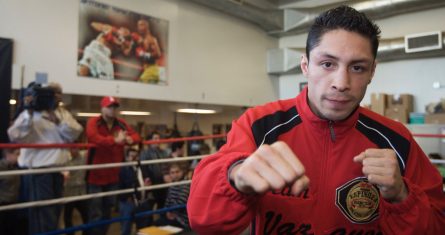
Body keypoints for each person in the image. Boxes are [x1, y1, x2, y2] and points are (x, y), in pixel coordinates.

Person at [187, 5, 445, 235]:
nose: (341, 84)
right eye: (327, 64)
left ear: (371, 72)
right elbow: (204, 222)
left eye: (357, 67)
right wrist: (236, 177)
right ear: (305, 65)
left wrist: (402, 196)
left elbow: (436, 226)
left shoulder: (396, 140)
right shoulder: (260, 125)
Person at [8, 82, 83, 234]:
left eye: (58, 93)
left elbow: (76, 132)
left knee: (55, 210)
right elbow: (14, 135)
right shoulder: (29, 113)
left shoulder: (62, 113)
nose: (56, 96)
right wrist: (28, 113)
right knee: (43, 212)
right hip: (38, 170)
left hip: (57, 169)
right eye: (52, 93)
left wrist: (58, 120)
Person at [85, 96, 141, 235]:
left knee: (107, 212)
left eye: (115, 107)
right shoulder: (94, 122)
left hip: (113, 175)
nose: (113, 110)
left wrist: (128, 139)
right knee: (95, 213)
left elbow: (137, 137)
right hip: (95, 175)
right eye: (110, 107)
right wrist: (115, 140)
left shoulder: (121, 123)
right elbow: (93, 138)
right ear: (102, 108)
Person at [118, 147, 152, 235]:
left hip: (142, 201)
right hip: (128, 203)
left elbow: (149, 179)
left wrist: (148, 183)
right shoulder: (123, 170)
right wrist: (127, 198)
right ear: (127, 158)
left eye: (136, 156)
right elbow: (120, 187)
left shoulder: (143, 167)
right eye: (131, 156)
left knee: (143, 228)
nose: (134, 158)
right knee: (126, 228)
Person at [140, 131, 169, 217]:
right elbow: (143, 168)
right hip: (152, 183)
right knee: (149, 206)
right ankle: (148, 225)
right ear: (150, 140)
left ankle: (162, 223)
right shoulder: (145, 153)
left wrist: (167, 175)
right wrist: (147, 179)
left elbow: (167, 165)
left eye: (159, 138)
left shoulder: (163, 152)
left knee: (162, 205)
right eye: (155, 138)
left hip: (163, 183)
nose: (158, 140)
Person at [155, 163, 191, 231]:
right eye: (172, 173)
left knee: (158, 224)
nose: (175, 175)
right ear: (170, 174)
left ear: (182, 172)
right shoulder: (172, 185)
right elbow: (167, 201)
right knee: (156, 223)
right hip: (172, 215)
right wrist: (167, 211)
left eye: (177, 172)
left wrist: (171, 212)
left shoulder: (186, 184)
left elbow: (181, 201)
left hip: (182, 219)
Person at [62, 147, 89, 235]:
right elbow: (64, 173)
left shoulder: (84, 158)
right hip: (70, 192)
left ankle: (86, 233)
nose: (73, 150)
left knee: (86, 215)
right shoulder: (65, 160)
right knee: (67, 217)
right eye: (71, 149)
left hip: (81, 192)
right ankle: (70, 233)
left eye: (75, 148)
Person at [134, 19, 162, 84]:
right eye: (138, 25)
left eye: (141, 25)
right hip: (148, 69)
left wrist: (144, 54)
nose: (139, 27)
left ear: (147, 26)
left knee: (138, 88)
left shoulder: (150, 39)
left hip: (152, 70)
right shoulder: (142, 40)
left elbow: (158, 54)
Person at [0, 148, 21, 235]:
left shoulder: (16, 167)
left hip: (14, 203)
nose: (19, 157)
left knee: (12, 229)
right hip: (2, 204)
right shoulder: (1, 167)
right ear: (8, 154)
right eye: (17, 154)